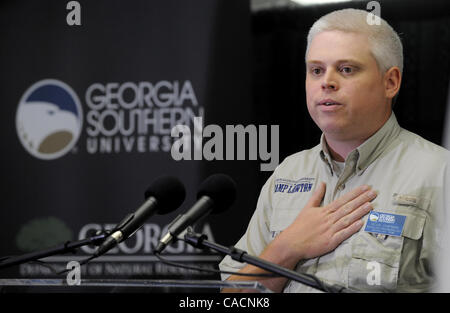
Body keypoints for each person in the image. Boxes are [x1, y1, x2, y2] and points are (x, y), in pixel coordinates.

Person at [219, 8, 450, 293]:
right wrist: (288, 247)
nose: (326, 82)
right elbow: (232, 298)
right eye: (316, 70)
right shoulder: (288, 173)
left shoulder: (439, 173)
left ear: (390, 82)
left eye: (346, 69)